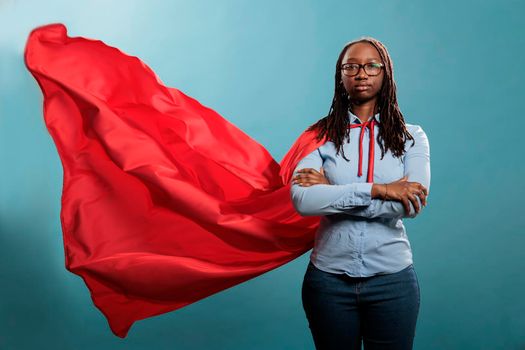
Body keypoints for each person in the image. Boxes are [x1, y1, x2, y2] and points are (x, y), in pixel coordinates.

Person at [290, 37, 431, 350]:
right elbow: (302, 200)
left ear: (385, 74)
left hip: (392, 281)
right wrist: (381, 190)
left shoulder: (412, 138)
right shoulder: (320, 136)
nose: (361, 73)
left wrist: (332, 194)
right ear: (341, 76)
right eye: (351, 66)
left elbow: (411, 203)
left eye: (371, 66)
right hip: (328, 281)